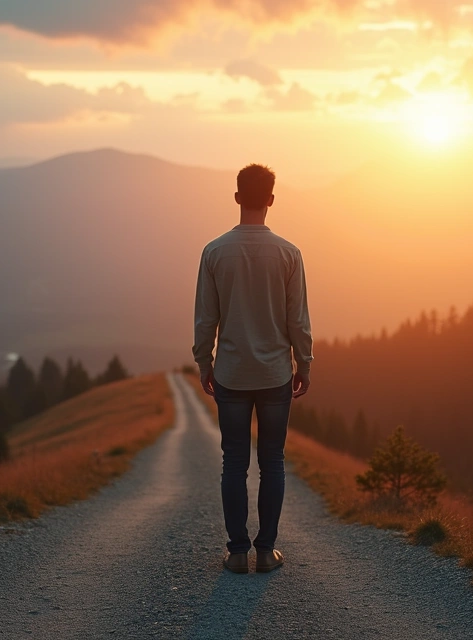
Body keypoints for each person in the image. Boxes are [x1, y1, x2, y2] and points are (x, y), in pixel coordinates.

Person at [193, 163, 313, 574]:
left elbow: (205, 318)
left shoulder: (214, 252)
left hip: (231, 372)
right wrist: (305, 363)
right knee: (273, 461)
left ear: (238, 197)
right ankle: (266, 551)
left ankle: (237, 552)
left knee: (234, 463)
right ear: (272, 200)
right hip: (276, 373)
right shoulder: (289, 253)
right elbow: (298, 319)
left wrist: (203, 362)